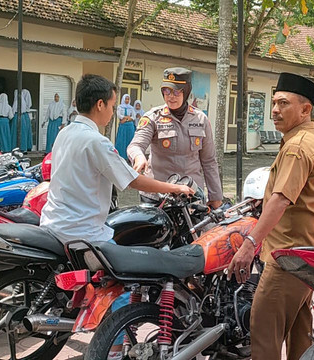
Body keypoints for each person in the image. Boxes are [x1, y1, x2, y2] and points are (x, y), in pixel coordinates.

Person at [39, 74, 194, 359]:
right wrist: (175, 188)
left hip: (55, 223)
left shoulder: (65, 132)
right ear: (99, 105)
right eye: (111, 106)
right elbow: (132, 180)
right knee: (135, 274)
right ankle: (114, 342)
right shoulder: (95, 141)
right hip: (83, 232)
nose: (113, 113)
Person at [227, 72, 314, 360]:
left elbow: (281, 199)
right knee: (300, 337)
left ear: (305, 109)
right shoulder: (304, 139)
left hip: (288, 256)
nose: (275, 110)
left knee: (264, 334)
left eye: (283, 103)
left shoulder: (297, 147)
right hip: (307, 254)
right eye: (274, 102)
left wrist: (250, 244)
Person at [127, 67, 223, 209]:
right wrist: (139, 157)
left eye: (177, 91)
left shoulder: (200, 119)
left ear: (186, 92)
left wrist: (215, 196)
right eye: (167, 91)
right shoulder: (153, 117)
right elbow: (135, 145)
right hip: (157, 196)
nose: (171, 96)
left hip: (191, 195)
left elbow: (209, 161)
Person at [114, 94, 136, 161]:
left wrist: (126, 119)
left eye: (128, 99)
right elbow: (119, 115)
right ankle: (121, 157)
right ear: (123, 99)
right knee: (121, 141)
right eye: (126, 99)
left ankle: (130, 157)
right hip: (123, 126)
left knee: (130, 141)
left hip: (130, 126)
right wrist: (127, 117)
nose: (127, 100)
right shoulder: (120, 107)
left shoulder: (131, 108)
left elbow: (133, 117)